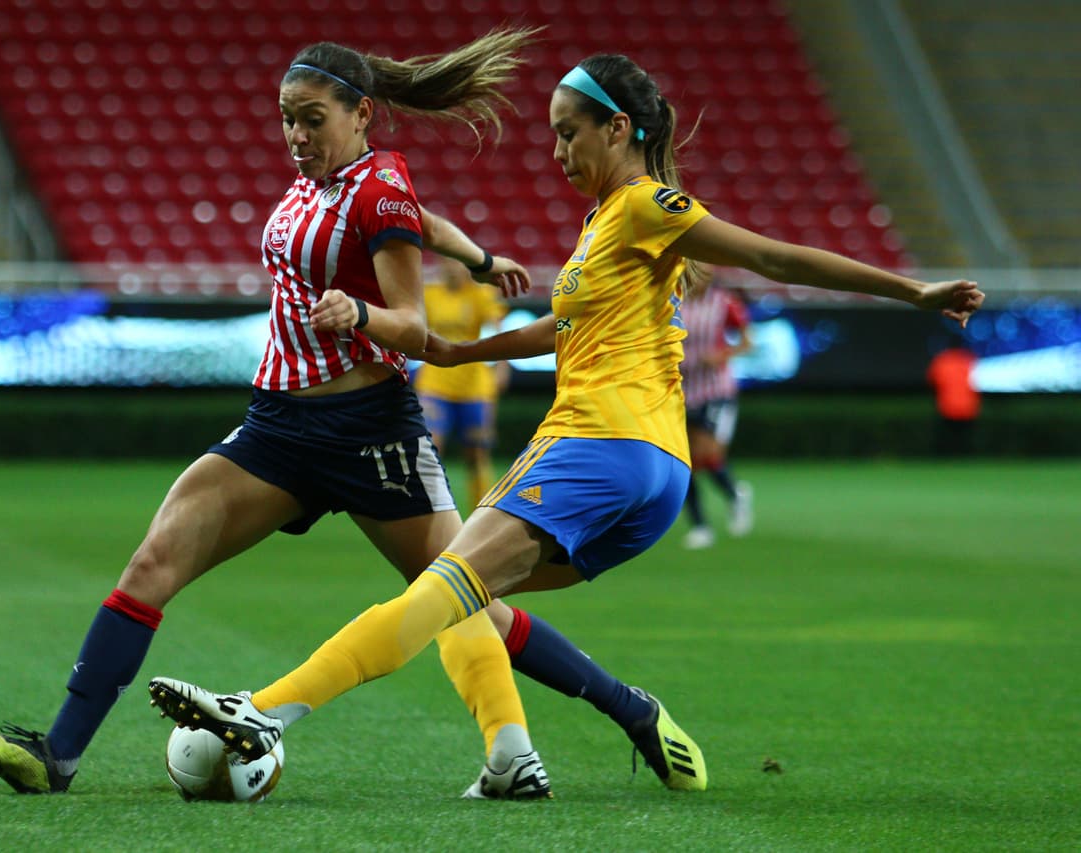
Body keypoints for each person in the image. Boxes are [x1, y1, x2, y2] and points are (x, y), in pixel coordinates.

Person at [146, 52, 985, 794]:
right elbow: (563, 328)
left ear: (618, 128)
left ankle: (260, 712)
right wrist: (453, 348)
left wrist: (912, 291)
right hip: (655, 475)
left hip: (598, 445)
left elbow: (769, 254)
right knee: (460, 603)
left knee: (440, 591)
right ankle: (613, 719)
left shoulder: (647, 206)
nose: (556, 154)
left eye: (568, 134)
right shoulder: (606, 230)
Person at [0, 33, 683, 801]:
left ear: (361, 113)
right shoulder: (330, 187)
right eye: (286, 121)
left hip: (372, 434)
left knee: (460, 595)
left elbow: (409, 320)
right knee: (151, 565)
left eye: (311, 120)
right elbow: (424, 223)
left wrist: (361, 310)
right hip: (275, 430)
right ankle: (57, 756)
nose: (296, 137)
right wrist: (478, 257)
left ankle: (612, 711)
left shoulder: (378, 190)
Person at [413, 256, 510, 512]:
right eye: (449, 263)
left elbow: (499, 329)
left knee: (477, 453)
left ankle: (482, 513)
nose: (454, 269)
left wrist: (501, 366)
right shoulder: (429, 294)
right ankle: (429, 509)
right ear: (442, 266)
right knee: (431, 448)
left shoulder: (481, 295)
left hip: (474, 385)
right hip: (435, 381)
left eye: (459, 264)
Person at [678, 277, 754, 549]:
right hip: (681, 391)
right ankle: (700, 526)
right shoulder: (673, 299)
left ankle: (735, 494)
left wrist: (721, 356)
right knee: (683, 462)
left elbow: (747, 341)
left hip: (715, 392)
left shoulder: (723, 302)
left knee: (708, 455)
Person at [926, 332, 980, 456]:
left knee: (947, 437)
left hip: (947, 407)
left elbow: (932, 382)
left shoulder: (941, 361)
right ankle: (966, 457)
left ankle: (946, 457)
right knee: (966, 438)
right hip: (968, 407)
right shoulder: (969, 361)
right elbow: (978, 382)